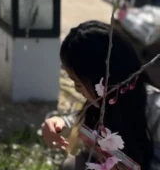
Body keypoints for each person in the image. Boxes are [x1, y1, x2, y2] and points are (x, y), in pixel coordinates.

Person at [41, 20, 160, 169]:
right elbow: (81, 120)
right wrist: (61, 123)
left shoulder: (156, 113)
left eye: (79, 83)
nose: (77, 90)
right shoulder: (103, 103)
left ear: (104, 78)